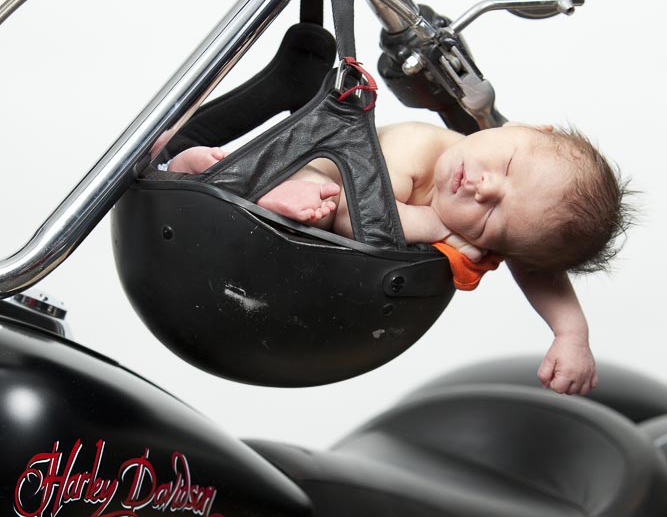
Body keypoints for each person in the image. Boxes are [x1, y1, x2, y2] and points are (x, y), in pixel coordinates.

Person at [162, 121, 629, 396]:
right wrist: (442, 228)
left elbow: (538, 267)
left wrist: (572, 334)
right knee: (334, 204)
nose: (483, 187)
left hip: (292, 246)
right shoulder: (422, 148)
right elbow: (369, 217)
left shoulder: (507, 225)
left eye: (492, 216)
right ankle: (216, 172)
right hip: (320, 177)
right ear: (526, 128)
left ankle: (201, 170)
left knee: (324, 214)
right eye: (507, 167)